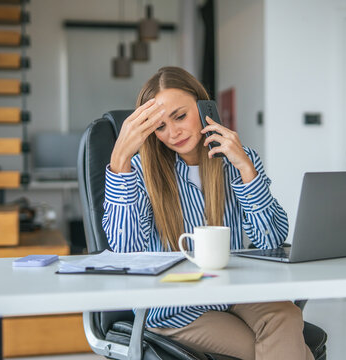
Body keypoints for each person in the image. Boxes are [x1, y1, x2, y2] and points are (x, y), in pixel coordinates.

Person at [103, 66, 313, 360]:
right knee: (282, 350)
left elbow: (272, 240)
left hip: (236, 291)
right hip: (176, 307)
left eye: (179, 116)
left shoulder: (239, 160)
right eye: (159, 126)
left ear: (204, 108)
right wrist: (120, 158)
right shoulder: (138, 172)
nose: (173, 133)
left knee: (286, 316)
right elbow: (125, 251)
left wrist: (246, 170)